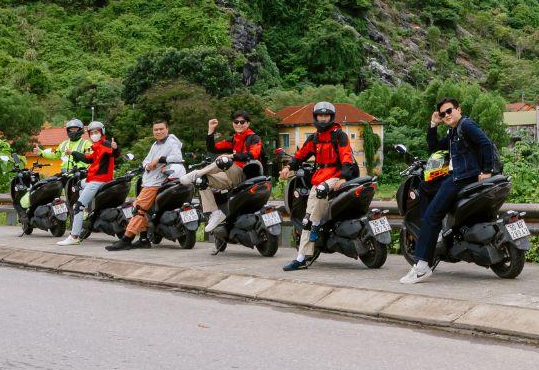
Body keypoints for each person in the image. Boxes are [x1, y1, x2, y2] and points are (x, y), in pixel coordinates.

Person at [400, 96, 502, 283]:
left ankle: (422, 267)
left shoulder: (466, 125)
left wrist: (486, 171)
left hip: (463, 177)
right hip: (457, 175)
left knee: (431, 217)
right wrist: (433, 125)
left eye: (449, 111)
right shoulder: (454, 131)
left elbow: (485, 143)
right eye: (442, 114)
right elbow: (434, 148)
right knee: (425, 187)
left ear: (458, 109)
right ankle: (436, 230)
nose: (446, 115)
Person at [282, 102, 359, 271]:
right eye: (320, 115)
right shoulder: (315, 138)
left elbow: (346, 156)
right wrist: (288, 167)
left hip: (336, 176)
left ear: (331, 117)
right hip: (319, 178)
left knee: (320, 192)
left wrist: (344, 177)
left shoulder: (339, 135)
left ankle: (315, 225)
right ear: (315, 117)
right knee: (307, 219)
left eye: (326, 115)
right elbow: (301, 155)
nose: (323, 119)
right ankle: (302, 257)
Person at [180, 113, 266, 254]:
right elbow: (213, 148)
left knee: (223, 160)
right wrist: (210, 130)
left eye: (242, 122)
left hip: (247, 176)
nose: (239, 124)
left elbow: (253, 154)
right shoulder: (233, 139)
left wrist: (231, 156)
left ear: (248, 123)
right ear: (233, 123)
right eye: (236, 122)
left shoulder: (253, 138)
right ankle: (215, 213)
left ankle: (197, 172)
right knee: (201, 181)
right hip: (231, 177)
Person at [103, 121, 186, 251]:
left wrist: (159, 159)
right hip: (149, 180)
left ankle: (126, 239)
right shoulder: (155, 144)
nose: (158, 132)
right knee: (143, 211)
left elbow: (177, 157)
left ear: (167, 129)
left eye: (161, 129)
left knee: (138, 208)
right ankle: (143, 239)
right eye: (156, 129)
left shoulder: (172, 142)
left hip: (156, 182)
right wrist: (148, 165)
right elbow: (146, 160)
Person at [57, 121, 120, 246]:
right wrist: (73, 153)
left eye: (96, 132)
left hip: (98, 181)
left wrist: (116, 148)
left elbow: (114, 154)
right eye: (91, 133)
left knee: (78, 206)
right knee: (78, 185)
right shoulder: (97, 145)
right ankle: (87, 210)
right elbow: (88, 159)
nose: (93, 134)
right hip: (93, 179)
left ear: (102, 132)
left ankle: (74, 236)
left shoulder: (106, 144)